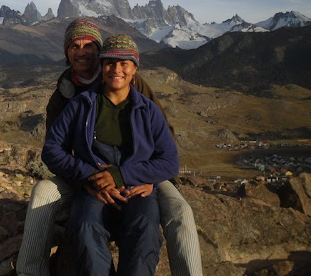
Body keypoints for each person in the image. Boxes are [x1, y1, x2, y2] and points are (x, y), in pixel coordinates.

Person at [16, 18, 202, 276]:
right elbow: (54, 148)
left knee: (179, 212)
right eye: (74, 46)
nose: (81, 52)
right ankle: (29, 271)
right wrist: (88, 178)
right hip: (87, 173)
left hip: (141, 173)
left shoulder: (137, 90)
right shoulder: (66, 97)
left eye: (88, 45)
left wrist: (146, 177)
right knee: (46, 196)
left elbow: (165, 146)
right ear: (67, 52)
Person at [42, 33, 178, 275]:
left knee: (145, 230)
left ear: (134, 69)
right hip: (93, 188)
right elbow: (52, 150)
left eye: (124, 63)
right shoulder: (80, 105)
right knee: (85, 227)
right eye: (110, 63)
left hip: (137, 188)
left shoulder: (148, 110)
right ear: (102, 66)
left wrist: (121, 175)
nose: (117, 70)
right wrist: (89, 176)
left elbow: (169, 161)